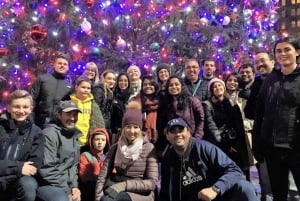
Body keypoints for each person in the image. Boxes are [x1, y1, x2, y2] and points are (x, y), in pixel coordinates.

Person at [159, 117, 258, 201]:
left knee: (245, 187)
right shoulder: (168, 158)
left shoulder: (205, 148)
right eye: (173, 131)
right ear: (167, 136)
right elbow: (165, 192)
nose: (178, 134)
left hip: (217, 197)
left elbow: (235, 171)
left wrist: (215, 189)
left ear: (188, 132)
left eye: (181, 130)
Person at [253, 37, 300, 201]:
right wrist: (257, 142)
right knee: (278, 193)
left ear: (297, 52)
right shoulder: (270, 80)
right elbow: (260, 112)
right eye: (278, 51)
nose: (283, 54)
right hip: (273, 148)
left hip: (296, 148)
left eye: (287, 49)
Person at [95, 101, 159, 201]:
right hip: (116, 187)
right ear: (123, 128)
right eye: (128, 127)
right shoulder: (115, 148)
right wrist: (98, 197)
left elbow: (152, 182)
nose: (132, 131)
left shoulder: (148, 148)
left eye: (136, 127)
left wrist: (124, 185)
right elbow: (102, 176)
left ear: (140, 128)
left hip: (140, 194)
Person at [0, 90, 44, 201]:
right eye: (16, 107)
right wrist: (19, 167)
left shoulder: (36, 132)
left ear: (31, 109)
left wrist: (19, 171)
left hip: (18, 179)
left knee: (29, 186)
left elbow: (34, 166)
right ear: (9, 108)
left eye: (25, 107)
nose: (21, 111)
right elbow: (23, 167)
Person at [202, 78, 250, 176]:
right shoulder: (207, 105)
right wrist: (223, 143)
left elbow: (238, 125)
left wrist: (236, 144)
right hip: (218, 143)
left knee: (237, 170)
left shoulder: (232, 103)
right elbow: (211, 125)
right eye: (214, 87)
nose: (217, 88)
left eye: (219, 85)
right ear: (211, 91)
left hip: (233, 142)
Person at [37, 100, 82, 201]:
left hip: (65, 185)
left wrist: (74, 187)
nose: (72, 118)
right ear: (59, 115)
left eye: (75, 114)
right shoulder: (49, 134)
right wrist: (67, 191)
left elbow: (73, 165)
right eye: (68, 114)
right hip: (47, 184)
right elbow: (47, 169)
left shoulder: (74, 135)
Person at [156, 75, 204, 155]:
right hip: (173, 142)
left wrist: (197, 138)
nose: (174, 87)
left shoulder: (192, 101)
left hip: (191, 141)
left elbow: (201, 120)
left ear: (182, 86)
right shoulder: (166, 103)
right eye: (171, 85)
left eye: (176, 84)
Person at [30, 53, 73, 128]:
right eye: (59, 63)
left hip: (57, 125)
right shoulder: (42, 79)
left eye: (65, 64)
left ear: (68, 68)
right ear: (54, 65)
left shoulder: (69, 87)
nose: (62, 65)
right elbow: (32, 98)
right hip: (38, 122)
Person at [69, 76, 105, 150]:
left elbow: (98, 123)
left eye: (88, 88)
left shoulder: (92, 104)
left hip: (87, 142)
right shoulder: (70, 102)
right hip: (71, 141)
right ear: (76, 87)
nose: (86, 90)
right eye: (83, 87)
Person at [79, 128, 110, 201]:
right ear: (91, 141)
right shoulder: (85, 155)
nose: (100, 142)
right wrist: (99, 166)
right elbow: (84, 175)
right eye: (97, 139)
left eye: (103, 140)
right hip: (89, 192)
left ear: (106, 142)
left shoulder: (108, 157)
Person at [93, 69, 116, 135]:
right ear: (104, 79)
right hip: (100, 125)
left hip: (106, 124)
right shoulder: (99, 90)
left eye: (114, 79)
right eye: (109, 79)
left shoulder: (110, 92)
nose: (112, 81)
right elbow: (97, 109)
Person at [110, 73, 132, 144]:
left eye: (125, 81)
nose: (123, 83)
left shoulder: (132, 97)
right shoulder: (112, 96)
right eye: (120, 80)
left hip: (129, 131)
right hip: (116, 131)